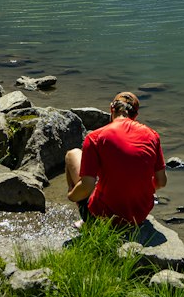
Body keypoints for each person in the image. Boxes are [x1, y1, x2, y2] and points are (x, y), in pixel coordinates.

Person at [65, 91, 166, 228]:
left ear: (111, 109)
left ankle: (88, 221)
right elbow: (161, 182)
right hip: (139, 216)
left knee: (72, 154)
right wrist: (137, 189)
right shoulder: (152, 135)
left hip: (105, 218)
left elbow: (87, 186)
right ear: (135, 115)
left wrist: (71, 196)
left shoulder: (95, 137)